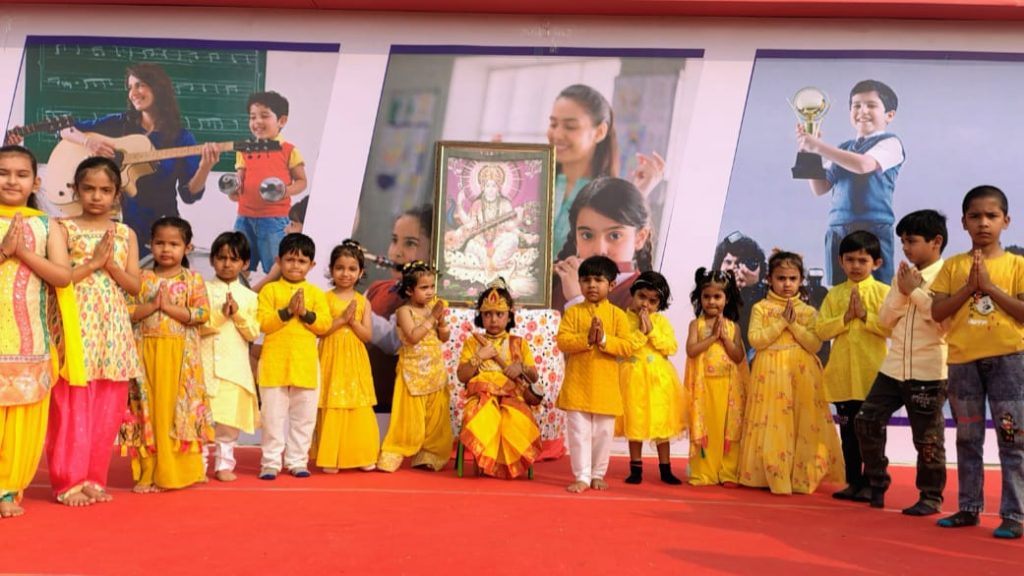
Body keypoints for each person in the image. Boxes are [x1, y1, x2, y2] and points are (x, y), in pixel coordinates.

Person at [46, 157, 141, 506]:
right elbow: (59, 277)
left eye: (105, 190)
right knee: (71, 404)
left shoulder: (125, 233)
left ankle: (93, 478)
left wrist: (111, 265)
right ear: (76, 189)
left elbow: (134, 286)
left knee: (107, 406)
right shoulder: (61, 228)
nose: (96, 196)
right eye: (89, 189)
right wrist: (93, 264)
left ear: (117, 194)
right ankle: (68, 481)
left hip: (112, 326)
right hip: (74, 322)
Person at [932, 185, 1024, 540]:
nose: (983, 223)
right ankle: (968, 508)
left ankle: (1014, 514)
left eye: (991, 216)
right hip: (963, 363)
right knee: (968, 438)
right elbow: (938, 311)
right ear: (963, 222)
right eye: (975, 216)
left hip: (1009, 362)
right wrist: (969, 288)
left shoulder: (1017, 265)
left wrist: (990, 287)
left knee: (1012, 439)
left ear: (1006, 221)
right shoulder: (953, 266)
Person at [59, 63, 219, 257]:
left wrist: (205, 167)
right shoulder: (121, 124)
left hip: (161, 233)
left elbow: (189, 194)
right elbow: (65, 129)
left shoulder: (181, 138)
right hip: (117, 228)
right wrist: (89, 143)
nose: (133, 93)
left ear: (158, 88)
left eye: (140, 85)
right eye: (130, 87)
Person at [855, 209, 949, 515]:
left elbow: (944, 323)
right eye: (903, 242)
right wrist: (903, 290)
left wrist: (916, 291)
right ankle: (877, 481)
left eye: (912, 241)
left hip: (929, 371)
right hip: (893, 367)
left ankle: (931, 496)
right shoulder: (902, 276)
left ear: (936, 241)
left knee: (927, 439)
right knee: (866, 420)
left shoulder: (951, 276)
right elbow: (885, 320)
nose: (906, 248)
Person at [0, 145, 74, 518]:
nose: (11, 180)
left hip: (30, 341)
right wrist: (3, 251)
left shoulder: (47, 226)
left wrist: (22, 253)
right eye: (3, 173)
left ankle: (7, 489)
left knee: (22, 419)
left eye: (21, 174)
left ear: (36, 182)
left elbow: (63, 276)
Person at [737, 250, 844, 495]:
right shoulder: (761, 308)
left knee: (801, 423)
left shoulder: (807, 311)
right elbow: (755, 340)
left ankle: (801, 476)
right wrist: (780, 323)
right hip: (769, 372)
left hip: (801, 373)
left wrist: (793, 324)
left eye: (792, 279)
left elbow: (814, 345)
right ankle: (771, 474)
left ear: (800, 280)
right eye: (781, 278)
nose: (787, 284)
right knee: (772, 422)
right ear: (769, 279)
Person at [127, 216, 212, 493]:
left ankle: (175, 472)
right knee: (149, 411)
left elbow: (202, 313)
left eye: (174, 244)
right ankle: (148, 472)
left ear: (187, 248)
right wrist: (151, 307)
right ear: (150, 244)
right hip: (145, 354)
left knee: (174, 412)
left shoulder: (193, 279)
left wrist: (168, 308)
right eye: (160, 243)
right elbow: (127, 311)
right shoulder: (141, 279)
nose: (166, 249)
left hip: (179, 357)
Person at [797, 79, 903, 287]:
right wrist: (809, 153)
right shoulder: (843, 148)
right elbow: (820, 187)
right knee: (838, 291)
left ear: (889, 115)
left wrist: (819, 147)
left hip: (872, 229)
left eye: (871, 105)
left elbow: (863, 165)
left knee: (876, 291)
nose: (862, 111)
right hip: (837, 229)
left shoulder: (891, 143)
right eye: (856, 105)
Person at [815, 230, 891, 502]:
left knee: (872, 434)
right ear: (840, 261)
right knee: (848, 433)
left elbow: (892, 328)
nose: (856, 266)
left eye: (862, 260)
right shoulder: (835, 295)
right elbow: (821, 330)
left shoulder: (884, 293)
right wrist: (845, 318)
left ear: (876, 263)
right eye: (850, 260)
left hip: (873, 376)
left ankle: (874, 483)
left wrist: (865, 315)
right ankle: (853, 482)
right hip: (843, 377)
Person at [547, 84, 664, 259]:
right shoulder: (534, 181)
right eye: (553, 124)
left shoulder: (609, 196)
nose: (557, 134)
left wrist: (637, 195)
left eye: (570, 126)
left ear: (600, 132)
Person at [256, 232, 331, 480]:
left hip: (305, 365)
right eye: (290, 259)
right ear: (279, 261)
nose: (295, 265)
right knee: (272, 418)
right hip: (274, 363)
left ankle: (297, 461)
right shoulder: (270, 291)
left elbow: (324, 325)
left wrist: (305, 314)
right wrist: (287, 312)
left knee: (304, 418)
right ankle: (270, 462)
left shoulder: (316, 294)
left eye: (301, 261)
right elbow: (263, 323)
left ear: (312, 265)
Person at [556, 255, 633, 493]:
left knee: (603, 434)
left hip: (605, 388)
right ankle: (582, 476)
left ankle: (598, 474)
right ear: (579, 284)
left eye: (598, 280)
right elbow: (563, 341)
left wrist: (604, 339)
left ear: (612, 284)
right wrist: (587, 339)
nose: (592, 285)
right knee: (578, 434)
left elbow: (627, 347)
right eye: (586, 280)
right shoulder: (573, 313)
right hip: (577, 385)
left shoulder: (618, 315)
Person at [456, 279, 542, 479]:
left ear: (509, 316)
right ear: (481, 316)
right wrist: (479, 357)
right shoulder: (472, 343)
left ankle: (506, 466)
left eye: (499, 314)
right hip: (481, 397)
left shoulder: (518, 343)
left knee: (515, 420)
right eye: (488, 314)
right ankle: (487, 464)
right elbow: (462, 376)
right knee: (485, 416)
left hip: (513, 396)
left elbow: (534, 377)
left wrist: (521, 367)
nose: (493, 320)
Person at [377, 261, 453, 472]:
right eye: (424, 287)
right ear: (410, 290)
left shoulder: (432, 308)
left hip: (435, 371)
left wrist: (442, 322)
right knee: (408, 419)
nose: (430, 292)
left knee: (435, 419)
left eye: (432, 286)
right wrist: (432, 317)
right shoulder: (405, 311)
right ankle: (393, 454)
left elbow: (444, 338)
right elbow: (413, 336)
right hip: (412, 372)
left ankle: (430, 455)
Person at [199, 231, 259, 483]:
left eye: (234, 259)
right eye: (222, 258)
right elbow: (196, 327)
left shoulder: (250, 297)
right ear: (212, 260)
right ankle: (197, 466)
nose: (227, 264)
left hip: (234, 369)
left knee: (228, 423)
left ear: (245, 263)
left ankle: (224, 465)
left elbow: (253, 332)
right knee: (200, 420)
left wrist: (237, 314)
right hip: (203, 366)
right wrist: (221, 315)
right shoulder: (200, 289)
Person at [314, 240, 379, 473]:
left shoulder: (363, 301)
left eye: (352, 269)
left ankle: (362, 455)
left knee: (357, 403)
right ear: (331, 270)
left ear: (360, 272)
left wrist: (353, 322)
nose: (345, 273)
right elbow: (320, 330)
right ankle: (331, 457)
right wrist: (341, 320)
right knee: (333, 401)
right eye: (340, 268)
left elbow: (367, 335)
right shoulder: (324, 298)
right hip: (331, 356)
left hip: (355, 360)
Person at [619, 271, 688, 485]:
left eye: (652, 301)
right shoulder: (622, 319)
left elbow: (671, 347)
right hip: (633, 378)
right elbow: (624, 347)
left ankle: (665, 469)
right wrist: (641, 332)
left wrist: (652, 332)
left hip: (659, 380)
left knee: (662, 423)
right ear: (632, 294)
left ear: (660, 303)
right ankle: (635, 469)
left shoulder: (661, 322)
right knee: (635, 422)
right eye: (642, 297)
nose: (645, 304)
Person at [230, 91, 307, 274]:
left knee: (275, 268)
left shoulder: (289, 150)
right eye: (252, 117)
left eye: (264, 116)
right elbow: (239, 182)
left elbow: (302, 181)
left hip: (274, 220)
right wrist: (233, 191)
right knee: (238, 265)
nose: (257, 121)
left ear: (282, 121)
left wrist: (284, 191)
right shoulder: (244, 149)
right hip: (244, 217)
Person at [683, 268, 747, 487]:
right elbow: (691, 350)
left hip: (728, 388)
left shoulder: (733, 327)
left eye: (717, 296)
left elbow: (738, 357)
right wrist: (712, 338)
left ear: (726, 299)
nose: (711, 302)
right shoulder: (696, 325)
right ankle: (704, 473)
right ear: (700, 298)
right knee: (707, 428)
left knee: (728, 428)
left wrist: (726, 339)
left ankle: (728, 472)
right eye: (707, 296)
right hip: (705, 388)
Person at [366, 204, 433, 412]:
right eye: (394, 240)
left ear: (433, 252)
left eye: (410, 243)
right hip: (363, 395)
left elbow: (394, 341)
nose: (396, 253)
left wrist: (359, 308)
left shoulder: (425, 299)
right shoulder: (376, 289)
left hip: (394, 404)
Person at [552, 177, 652, 311]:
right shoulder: (562, 283)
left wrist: (577, 299)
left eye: (615, 236)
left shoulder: (644, 299)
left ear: (640, 238)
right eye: (587, 235)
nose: (599, 250)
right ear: (576, 238)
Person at [713, 231, 768, 351]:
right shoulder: (710, 291)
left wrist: (751, 286)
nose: (732, 267)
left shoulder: (762, 296)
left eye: (738, 263)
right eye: (728, 262)